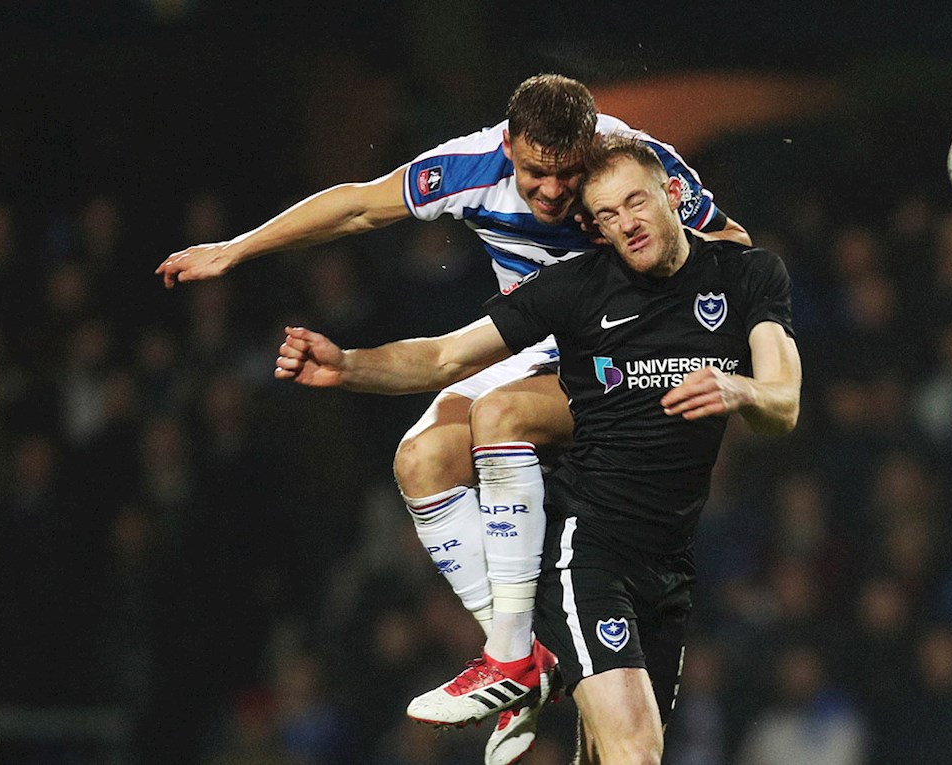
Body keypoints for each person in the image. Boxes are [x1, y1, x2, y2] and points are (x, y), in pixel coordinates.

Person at [156, 75, 749, 761]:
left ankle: (510, 658)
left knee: (501, 414)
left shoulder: (632, 171)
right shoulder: (472, 168)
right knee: (421, 459)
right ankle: (524, 656)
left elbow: (734, 250)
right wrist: (237, 248)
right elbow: (359, 206)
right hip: (541, 350)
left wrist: (677, 310)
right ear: (509, 146)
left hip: (633, 369)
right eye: (536, 173)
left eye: (567, 174)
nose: (553, 192)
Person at [274, 136, 801, 765]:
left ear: (672, 192)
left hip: (669, 560)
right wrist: (348, 366)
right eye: (607, 215)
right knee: (634, 750)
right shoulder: (577, 288)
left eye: (636, 203)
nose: (627, 224)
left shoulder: (748, 275)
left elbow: (784, 405)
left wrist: (740, 388)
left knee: (616, 754)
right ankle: (512, 651)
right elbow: (445, 357)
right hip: (586, 550)